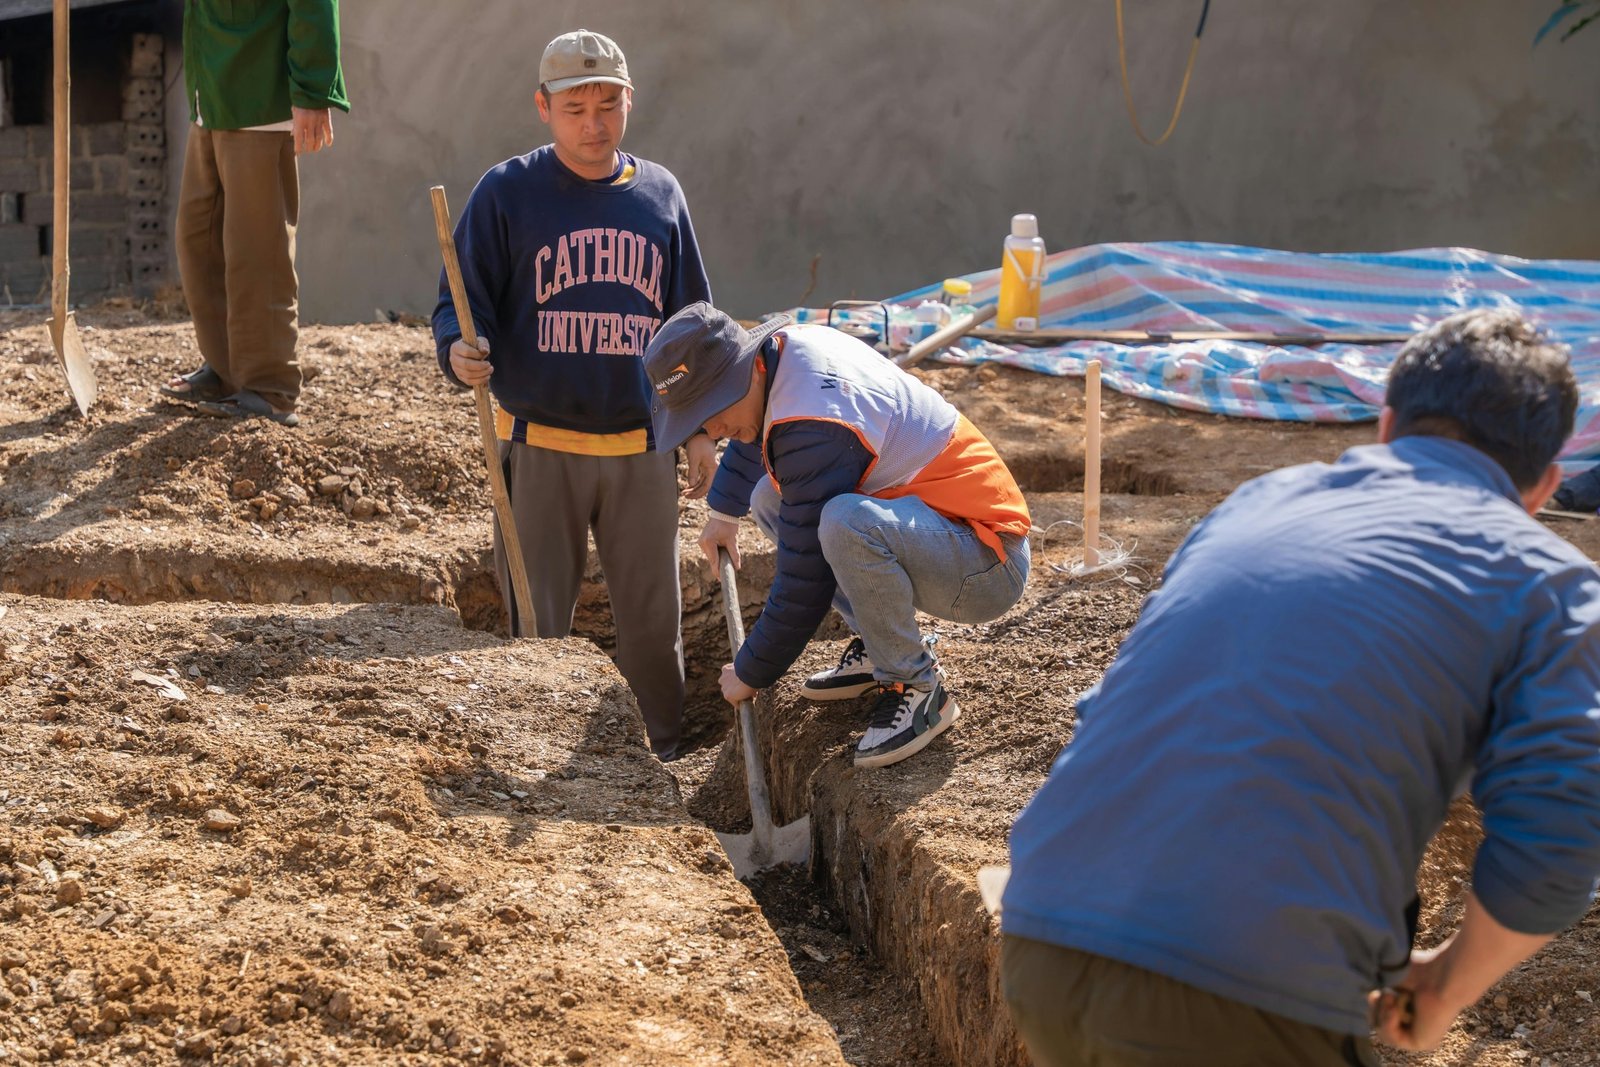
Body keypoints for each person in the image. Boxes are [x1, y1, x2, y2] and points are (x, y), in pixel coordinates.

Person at [999, 309, 1600, 1065]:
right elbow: (1561, 835)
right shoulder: (1550, 583)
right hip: (1239, 990)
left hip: (1044, 934)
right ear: (1545, 485)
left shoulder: (1256, 503)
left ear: (1386, 426)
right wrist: (1446, 983)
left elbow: (1117, 708)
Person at [431, 29, 714, 761]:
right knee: (537, 621)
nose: (594, 123)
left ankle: (663, 756)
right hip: (538, 447)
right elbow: (458, 304)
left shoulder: (661, 196)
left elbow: (692, 329)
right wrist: (457, 350)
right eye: (575, 107)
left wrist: (703, 432)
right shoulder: (506, 193)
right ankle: (535, 746)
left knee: (653, 624)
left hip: (641, 450)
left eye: (608, 104)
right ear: (544, 108)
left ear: (630, 102)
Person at [643, 303, 1032, 769]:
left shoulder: (815, 425)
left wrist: (751, 671)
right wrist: (725, 511)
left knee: (844, 522)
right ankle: (881, 643)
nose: (715, 431)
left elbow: (805, 577)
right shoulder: (783, 360)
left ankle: (916, 685)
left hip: (985, 563)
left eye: (711, 413)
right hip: (939, 530)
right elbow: (759, 434)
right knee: (771, 496)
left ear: (747, 371)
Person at [162, 0, 350, 427]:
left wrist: (311, 89)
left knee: (257, 250)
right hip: (211, 90)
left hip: (259, 92)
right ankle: (228, 370)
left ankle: (269, 387)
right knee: (198, 240)